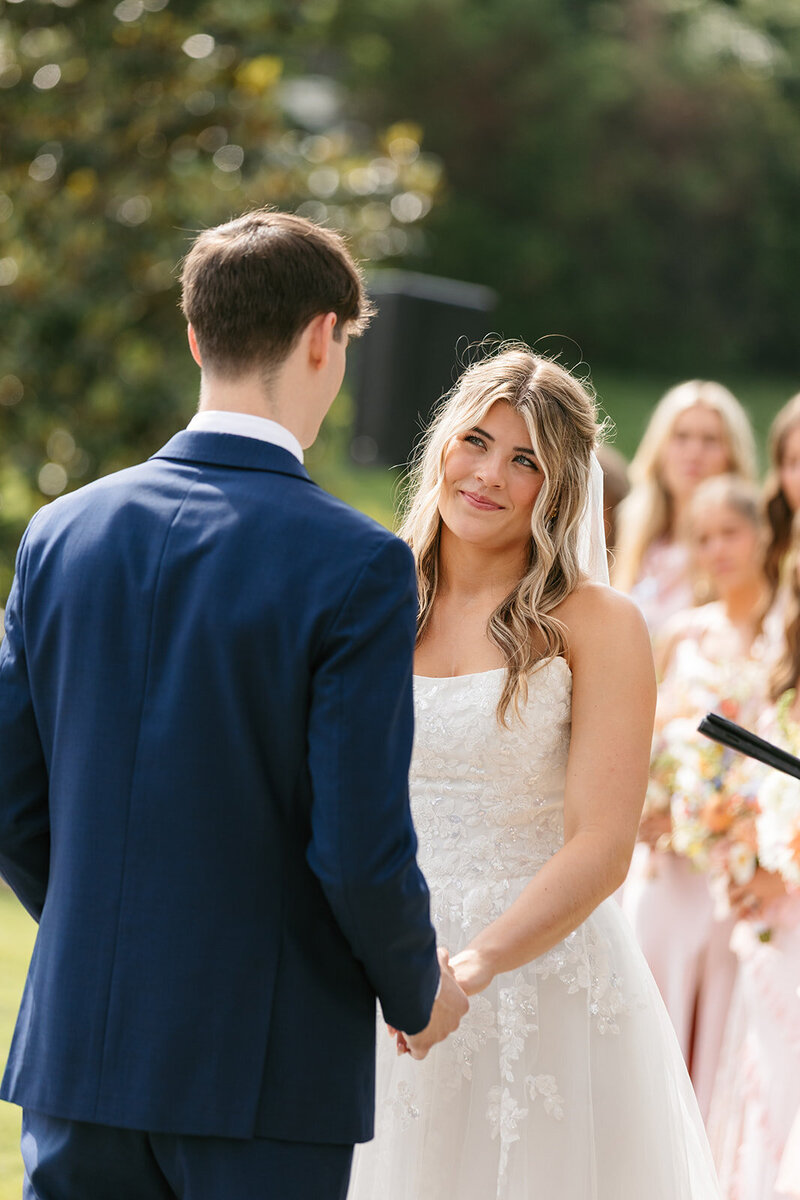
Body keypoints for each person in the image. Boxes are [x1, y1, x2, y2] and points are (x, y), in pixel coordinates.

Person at [0, 208, 468, 1200]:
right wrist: (415, 988)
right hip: (263, 1066)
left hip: (82, 1050)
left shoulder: (59, 533)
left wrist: (105, 928)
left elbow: (11, 797)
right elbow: (357, 842)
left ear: (193, 336)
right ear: (322, 337)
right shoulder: (355, 564)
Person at [347, 344, 720, 1199]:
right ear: (443, 443)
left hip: (534, 978)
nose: (489, 475)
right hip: (374, 962)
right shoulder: (368, 598)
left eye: (526, 461)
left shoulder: (598, 624)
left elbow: (603, 844)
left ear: (559, 488)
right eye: (476, 442)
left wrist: (472, 967)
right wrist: (396, 963)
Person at [622, 475, 770, 1118]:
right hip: (669, 863)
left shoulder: (781, 639)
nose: (717, 550)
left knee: (717, 1032)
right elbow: (646, 735)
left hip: (735, 867)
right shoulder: (682, 635)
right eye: (703, 538)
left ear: (763, 534)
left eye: (730, 533)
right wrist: (653, 802)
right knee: (650, 1008)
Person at [706, 532, 800, 1198]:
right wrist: (744, 854)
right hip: (774, 924)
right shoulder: (784, 691)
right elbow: (756, 792)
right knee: (766, 1081)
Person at [613, 380, 756, 639]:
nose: (694, 452)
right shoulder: (633, 526)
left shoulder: (748, 538)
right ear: (660, 448)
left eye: (710, 440)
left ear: (732, 455)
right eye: (681, 437)